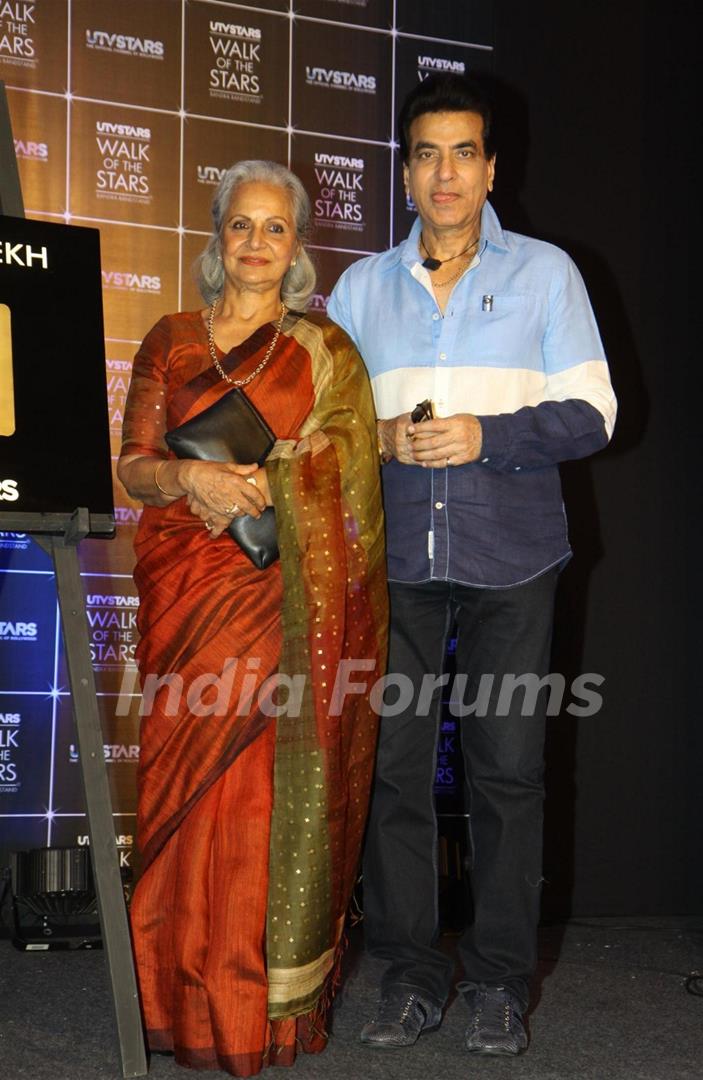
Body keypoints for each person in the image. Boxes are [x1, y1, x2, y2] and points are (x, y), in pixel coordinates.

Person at [328, 73, 617, 1055]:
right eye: (425, 153)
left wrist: (485, 436)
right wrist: (386, 442)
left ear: (492, 168)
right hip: (398, 561)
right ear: (405, 171)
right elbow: (328, 432)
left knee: (507, 774)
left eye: (463, 152)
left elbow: (595, 413)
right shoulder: (361, 288)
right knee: (395, 776)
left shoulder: (547, 275)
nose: (443, 172)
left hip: (514, 558)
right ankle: (409, 975)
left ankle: (497, 982)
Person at [117, 160, 387, 1078]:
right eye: (243, 225)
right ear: (217, 236)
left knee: (258, 807)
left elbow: (351, 467)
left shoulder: (324, 349)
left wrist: (272, 478)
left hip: (278, 600)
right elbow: (135, 465)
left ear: (300, 246)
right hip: (188, 593)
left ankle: (254, 1014)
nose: (258, 243)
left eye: (277, 228)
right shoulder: (171, 337)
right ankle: (169, 1000)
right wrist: (190, 478)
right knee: (180, 793)